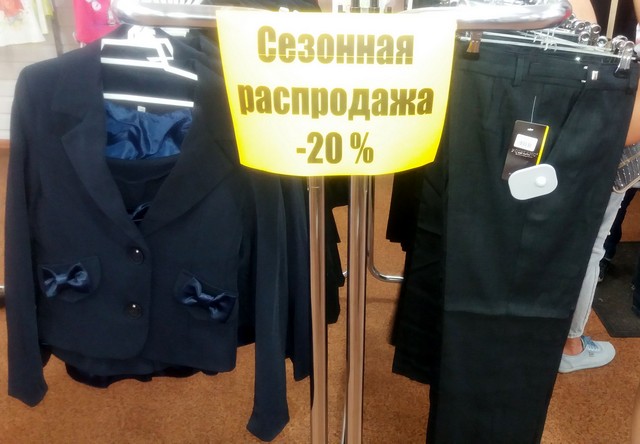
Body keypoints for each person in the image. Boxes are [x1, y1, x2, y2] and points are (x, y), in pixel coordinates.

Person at [557, 0, 640, 373]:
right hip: (608, 117)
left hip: (558, 113)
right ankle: (571, 344)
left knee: (551, 232)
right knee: (590, 243)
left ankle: (539, 330)